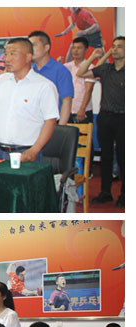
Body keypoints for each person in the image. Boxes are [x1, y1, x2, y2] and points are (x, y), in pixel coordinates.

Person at [0, 38, 59, 162]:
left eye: (13, 54)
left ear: (28, 57)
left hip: (26, 152)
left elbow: (50, 121)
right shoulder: (1, 80)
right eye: (6, 54)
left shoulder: (44, 86)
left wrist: (34, 151)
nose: (7, 59)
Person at [77, 37, 125, 208]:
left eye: (119, 46)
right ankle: (105, 193)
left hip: (124, 118)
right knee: (106, 156)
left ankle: (125, 195)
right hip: (105, 117)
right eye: (114, 46)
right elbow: (81, 72)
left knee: (123, 157)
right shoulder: (106, 69)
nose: (115, 49)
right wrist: (95, 56)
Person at [28, 30, 74, 125]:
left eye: (34, 45)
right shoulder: (29, 70)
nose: (30, 49)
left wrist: (60, 128)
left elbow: (66, 101)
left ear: (46, 47)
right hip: (31, 124)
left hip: (51, 124)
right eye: (29, 46)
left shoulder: (61, 70)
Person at [64, 37, 95, 124]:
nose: (75, 51)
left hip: (82, 111)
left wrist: (82, 109)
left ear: (86, 50)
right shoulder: (66, 66)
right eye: (74, 48)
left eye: (79, 48)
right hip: (67, 110)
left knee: (83, 133)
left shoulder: (90, 67)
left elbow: (89, 89)